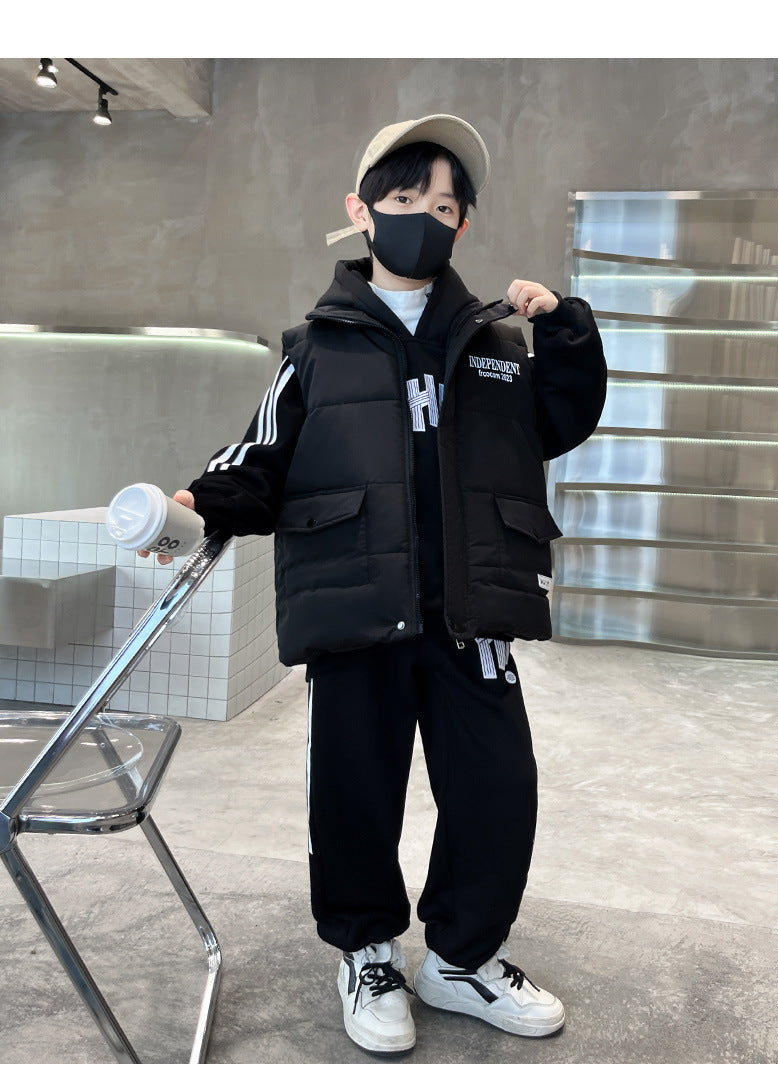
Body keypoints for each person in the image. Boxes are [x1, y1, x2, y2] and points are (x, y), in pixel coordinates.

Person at [141, 114, 607, 1056]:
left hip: (471, 609)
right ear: (360, 211)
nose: (423, 219)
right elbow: (262, 453)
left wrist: (563, 330)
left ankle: (462, 960)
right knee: (353, 792)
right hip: (358, 605)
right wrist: (199, 499)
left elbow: (561, 422)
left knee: (497, 790)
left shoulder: (495, 342)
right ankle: (367, 952)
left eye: (444, 206)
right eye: (403, 200)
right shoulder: (317, 345)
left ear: (464, 224)